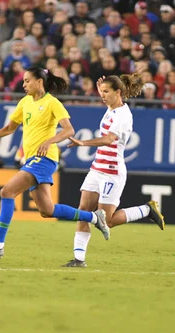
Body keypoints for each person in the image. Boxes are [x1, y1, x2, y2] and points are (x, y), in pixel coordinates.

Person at [0, 67, 110, 259]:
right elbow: (10, 128)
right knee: (47, 210)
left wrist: (49, 140)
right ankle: (95, 217)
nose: (24, 84)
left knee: (7, 191)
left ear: (39, 82)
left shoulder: (52, 103)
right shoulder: (25, 102)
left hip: (44, 159)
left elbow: (69, 130)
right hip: (32, 159)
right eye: (23, 81)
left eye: (27, 80)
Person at [61, 73, 165, 268]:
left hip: (111, 171)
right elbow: (108, 102)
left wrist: (83, 142)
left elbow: (109, 139)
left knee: (107, 221)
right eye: (101, 92)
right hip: (97, 168)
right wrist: (101, 87)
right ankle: (79, 259)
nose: (103, 96)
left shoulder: (123, 115)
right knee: (83, 211)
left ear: (118, 92)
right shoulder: (111, 108)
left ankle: (146, 209)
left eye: (106, 92)